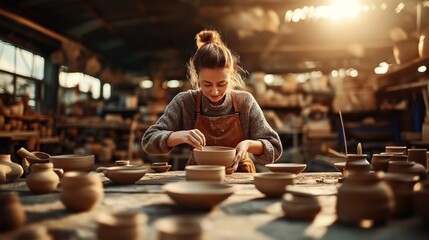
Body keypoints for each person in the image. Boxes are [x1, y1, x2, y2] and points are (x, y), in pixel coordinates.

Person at [141, 30, 282, 173]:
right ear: (197, 76)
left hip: (239, 174)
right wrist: (179, 136)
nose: (215, 91)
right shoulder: (185, 102)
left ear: (232, 75)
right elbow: (148, 141)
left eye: (222, 84)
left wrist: (248, 145)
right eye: (207, 84)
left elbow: (274, 148)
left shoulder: (245, 102)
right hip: (199, 174)